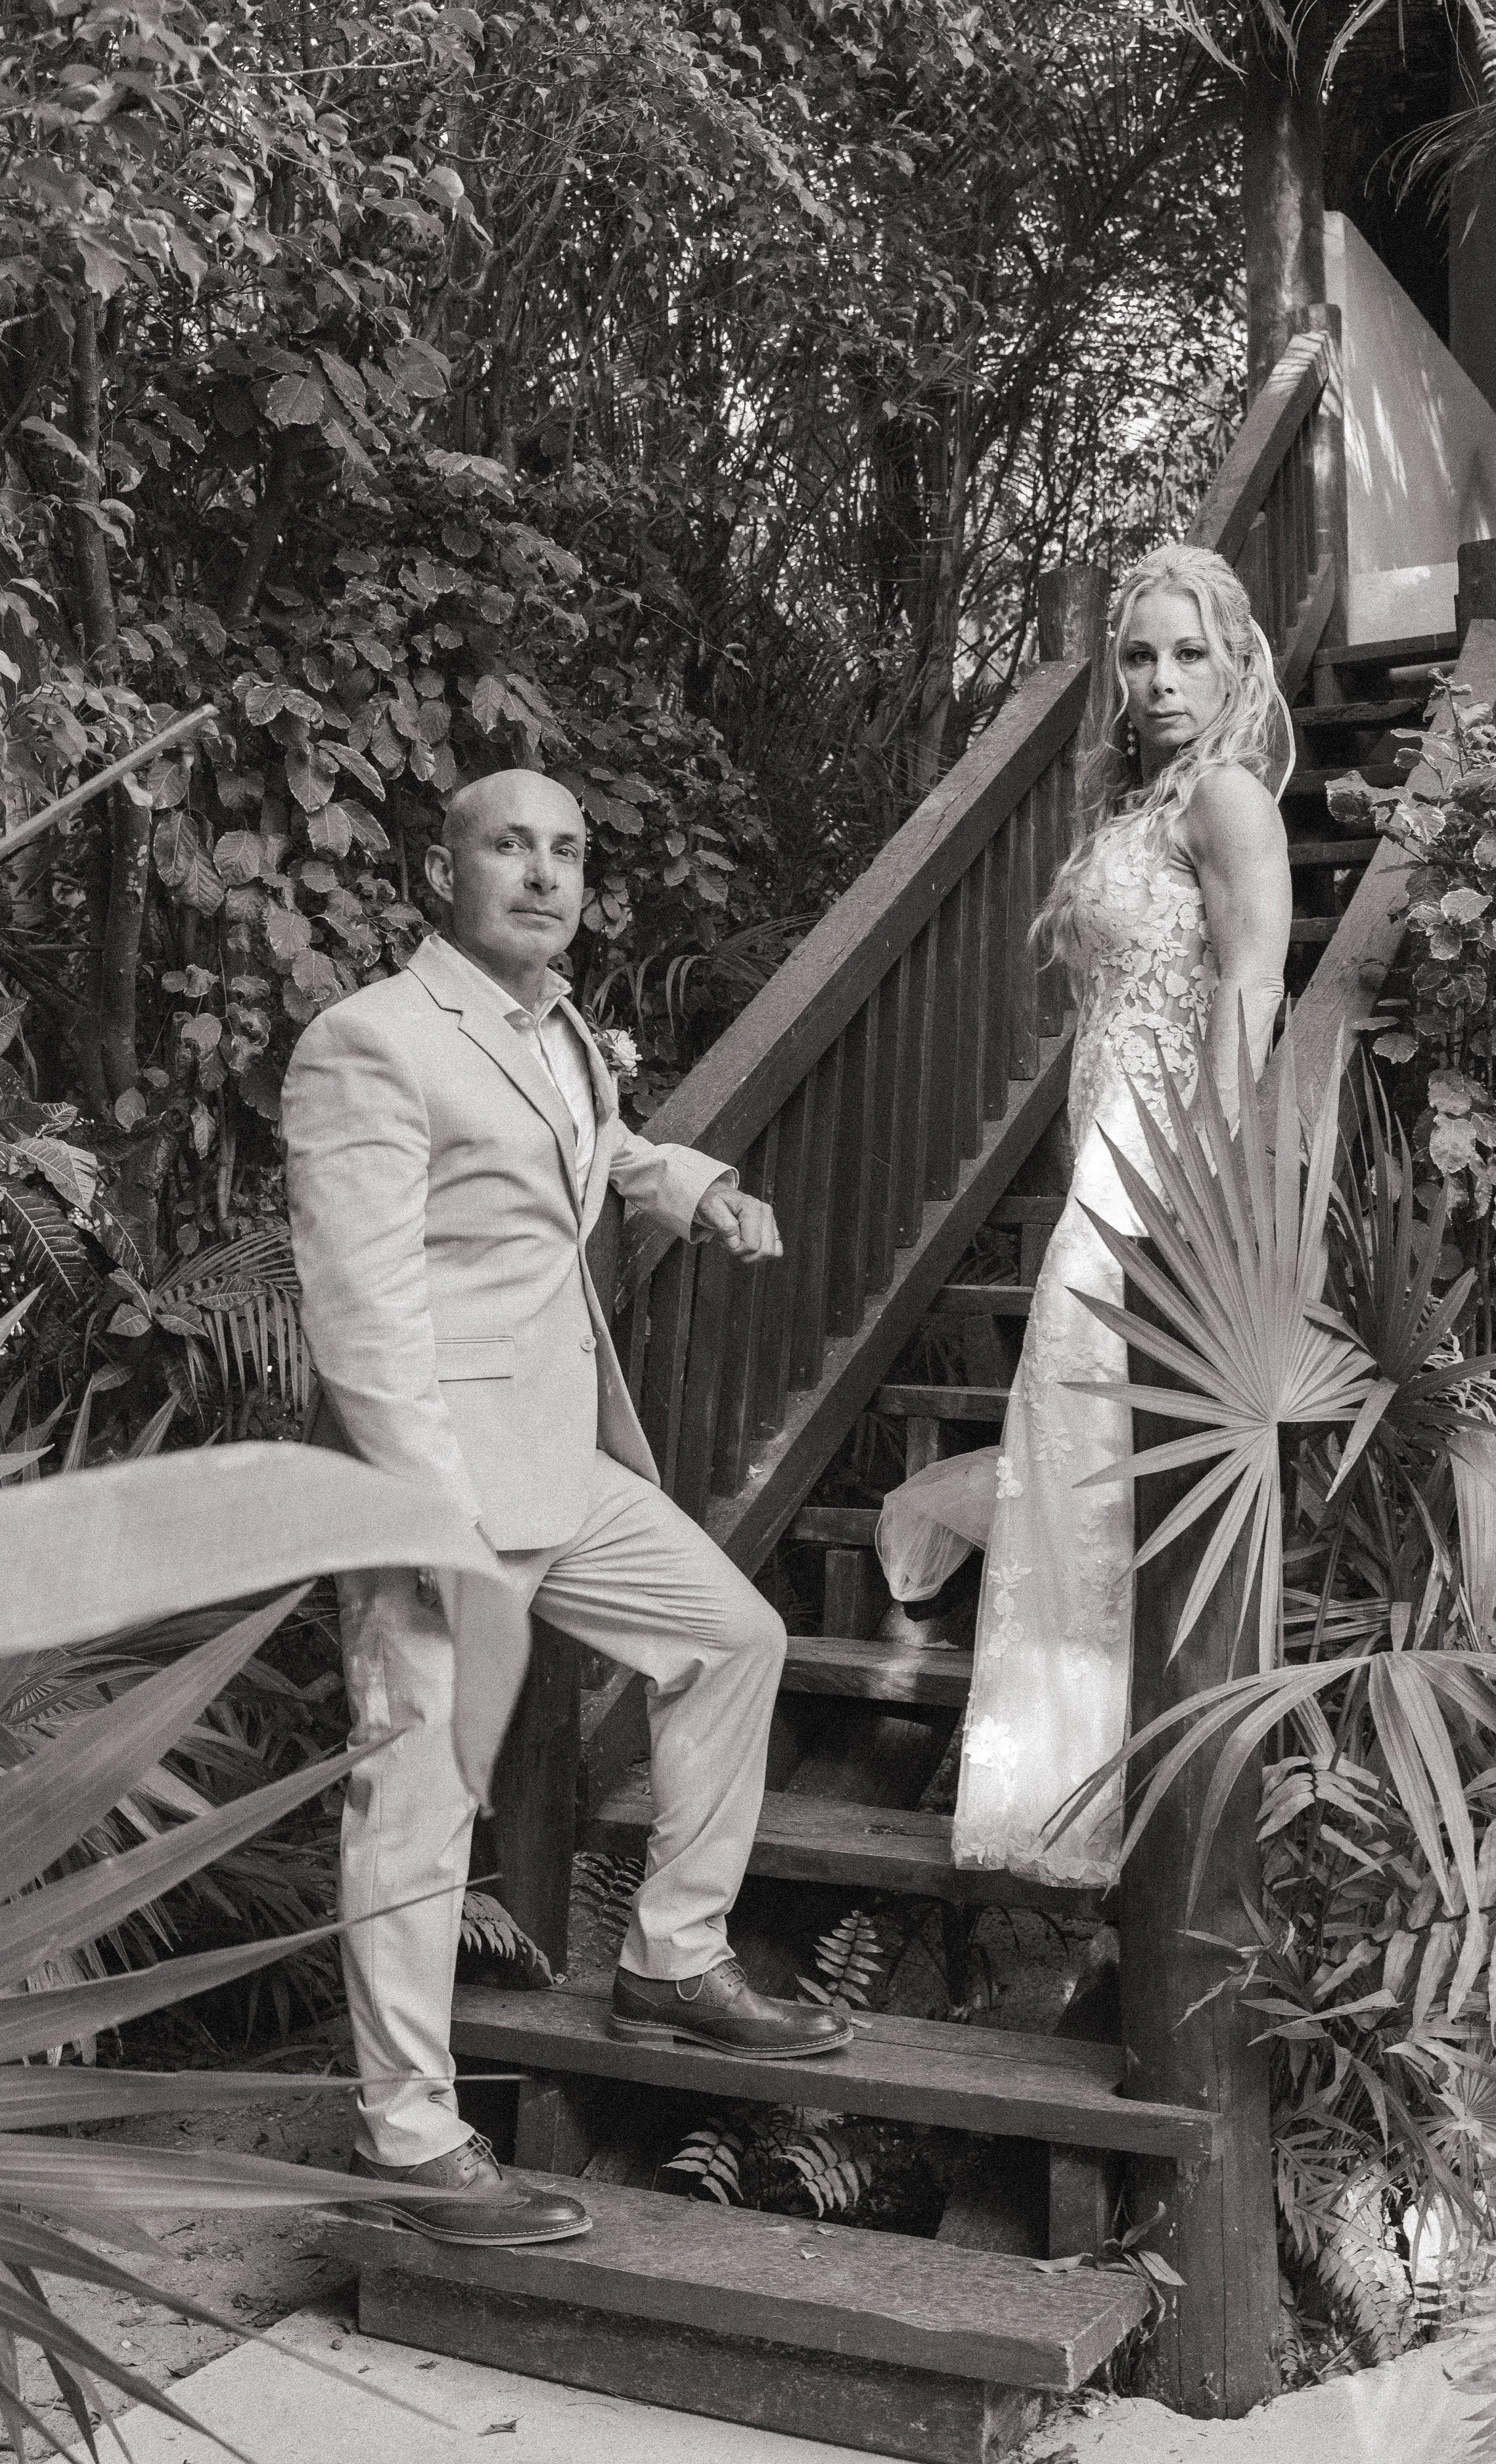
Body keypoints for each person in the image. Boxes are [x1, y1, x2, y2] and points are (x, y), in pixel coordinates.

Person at [281, 770, 851, 2250]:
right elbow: (361, 1313)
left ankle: (669, 1955)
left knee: (730, 1637)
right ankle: (408, 2136)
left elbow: (583, 1152)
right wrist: (428, 1519)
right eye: (507, 846)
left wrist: (691, 1188)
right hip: (440, 1484)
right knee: (415, 1805)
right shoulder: (370, 1043)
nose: (541, 874)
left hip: (560, 1457)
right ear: (439, 869)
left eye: (565, 851)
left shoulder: (552, 1034)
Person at [875, 544, 1294, 1887]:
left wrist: (1203, 1188)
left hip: (1160, 1168)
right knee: (1068, 1440)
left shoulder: (1226, 796)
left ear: (1232, 663)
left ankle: (1117, 1803)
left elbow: (1251, 987)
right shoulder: (1136, 798)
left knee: (1101, 1449)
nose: (1159, 679)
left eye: (1185, 653)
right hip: (1106, 1147)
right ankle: (1053, 1797)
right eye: (1137, 655)